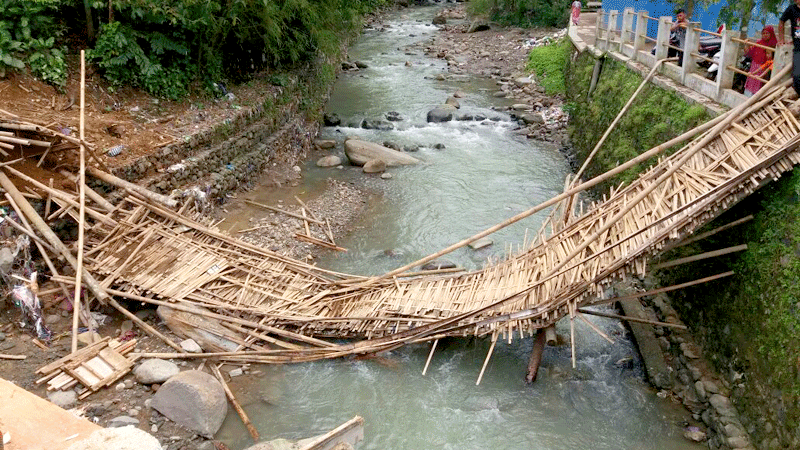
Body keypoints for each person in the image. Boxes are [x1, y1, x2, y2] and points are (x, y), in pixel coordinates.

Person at [744, 26, 777, 96]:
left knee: (759, 84)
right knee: (751, 82)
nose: (765, 35)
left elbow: (768, 64)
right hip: (754, 65)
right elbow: (749, 53)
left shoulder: (773, 45)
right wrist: (747, 45)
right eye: (763, 33)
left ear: (771, 34)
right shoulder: (758, 42)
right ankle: (747, 96)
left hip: (764, 67)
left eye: (767, 33)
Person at [779, 0, 800, 96]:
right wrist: (781, 39)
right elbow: (781, 21)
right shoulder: (791, 9)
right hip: (798, 47)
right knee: (797, 75)